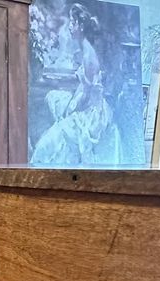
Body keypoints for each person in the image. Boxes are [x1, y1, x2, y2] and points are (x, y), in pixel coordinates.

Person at [31, 4, 117, 165]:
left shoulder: (89, 56)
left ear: (81, 26)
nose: (70, 26)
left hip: (90, 113)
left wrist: (71, 109)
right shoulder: (84, 50)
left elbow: (88, 96)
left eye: (73, 22)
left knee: (49, 142)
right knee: (52, 97)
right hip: (84, 100)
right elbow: (83, 88)